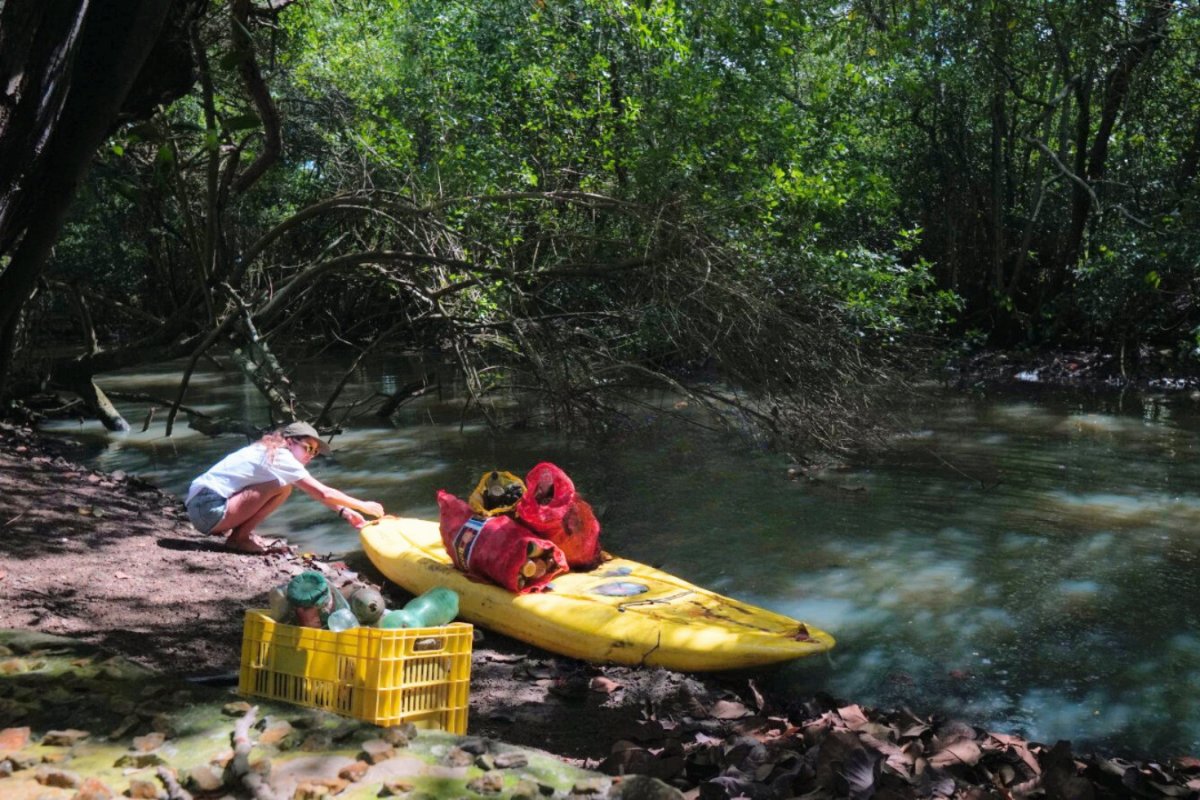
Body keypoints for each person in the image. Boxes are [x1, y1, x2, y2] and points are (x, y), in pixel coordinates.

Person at [185, 421, 385, 554]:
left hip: (201, 507)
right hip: (208, 510)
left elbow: (317, 493)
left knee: (282, 485)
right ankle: (239, 539)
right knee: (282, 487)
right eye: (308, 448)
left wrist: (344, 511)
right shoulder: (283, 457)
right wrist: (362, 505)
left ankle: (238, 535)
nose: (311, 455)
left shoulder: (271, 450)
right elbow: (323, 492)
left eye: (315, 452)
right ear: (290, 442)